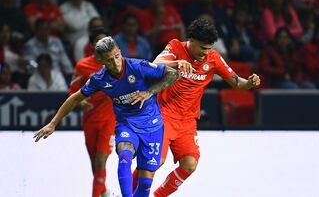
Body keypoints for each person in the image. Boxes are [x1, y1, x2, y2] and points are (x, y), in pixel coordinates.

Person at [33, 36, 180, 197]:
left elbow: (173, 74)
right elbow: (76, 97)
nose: (116, 63)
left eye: (117, 57)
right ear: (102, 61)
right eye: (109, 60)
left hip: (152, 126)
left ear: (120, 52)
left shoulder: (137, 66)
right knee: (125, 156)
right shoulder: (100, 79)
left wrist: (149, 92)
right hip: (127, 125)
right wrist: (53, 123)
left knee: (145, 184)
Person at [132, 18, 261, 196]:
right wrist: (176, 63)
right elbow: (155, 65)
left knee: (189, 164)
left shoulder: (213, 58)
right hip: (163, 115)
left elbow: (237, 83)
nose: (205, 53)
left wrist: (250, 83)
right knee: (155, 162)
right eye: (202, 48)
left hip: (187, 121)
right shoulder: (176, 47)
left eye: (208, 48)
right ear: (190, 40)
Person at [69, 28, 114, 197]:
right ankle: (103, 193)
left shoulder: (114, 63)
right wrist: (82, 103)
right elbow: (73, 91)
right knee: (95, 165)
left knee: (101, 161)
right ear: (92, 44)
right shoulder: (82, 65)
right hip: (90, 120)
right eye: (99, 41)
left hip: (110, 119)